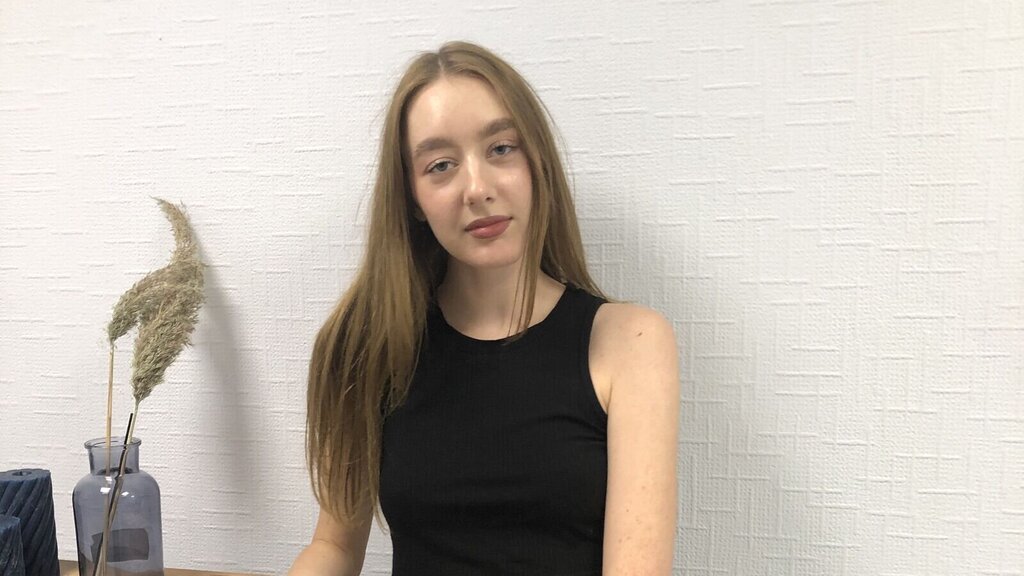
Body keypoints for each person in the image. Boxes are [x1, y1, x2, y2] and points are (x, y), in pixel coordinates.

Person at [288, 40, 680, 575]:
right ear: (413, 198)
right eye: (441, 165)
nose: (477, 188)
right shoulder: (365, 346)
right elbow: (333, 547)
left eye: (501, 149)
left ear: (537, 161)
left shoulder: (629, 342)